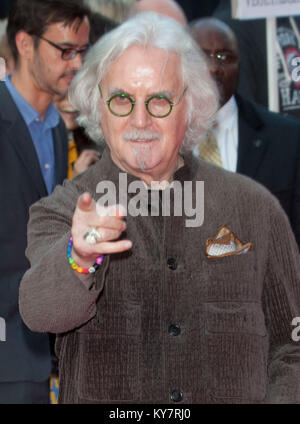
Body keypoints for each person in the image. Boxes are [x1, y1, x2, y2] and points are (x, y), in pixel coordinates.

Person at [19, 13, 300, 404]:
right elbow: (40, 312)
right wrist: (79, 257)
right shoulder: (63, 210)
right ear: (97, 106)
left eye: (160, 101)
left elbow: (293, 346)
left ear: (191, 106)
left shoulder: (255, 209)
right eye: (121, 100)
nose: (140, 119)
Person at [0, 0, 90, 404]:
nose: (76, 63)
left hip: (41, 344)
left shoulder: (56, 128)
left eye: (82, 51)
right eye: (64, 50)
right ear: (24, 43)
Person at [189, 17, 300, 249]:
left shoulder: (288, 141)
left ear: (240, 64)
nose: (213, 67)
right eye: (200, 56)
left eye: (224, 57)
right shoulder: (159, 138)